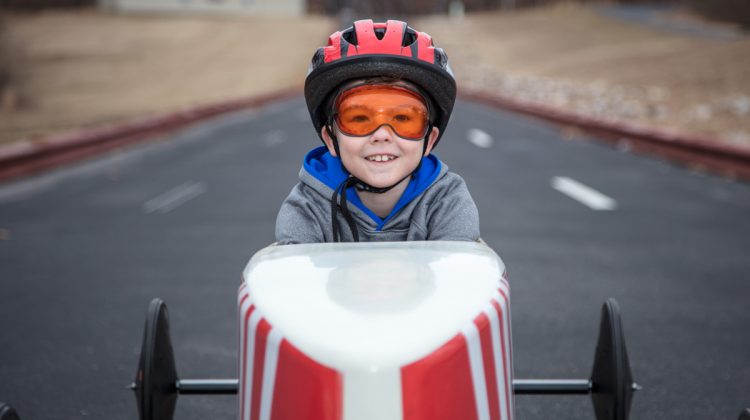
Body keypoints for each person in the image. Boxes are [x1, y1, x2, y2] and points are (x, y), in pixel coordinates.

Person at [275, 19, 479, 244]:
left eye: (403, 118)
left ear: (429, 140)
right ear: (331, 139)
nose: (381, 135)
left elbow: (457, 273)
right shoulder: (307, 207)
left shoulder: (447, 202)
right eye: (359, 118)